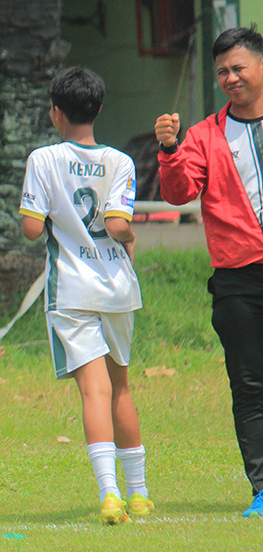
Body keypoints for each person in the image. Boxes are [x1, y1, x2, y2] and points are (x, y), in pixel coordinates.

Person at [20, 66, 150, 526]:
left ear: (56, 112)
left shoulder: (43, 159)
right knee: (121, 387)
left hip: (72, 289)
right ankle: (139, 493)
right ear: (98, 108)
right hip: (117, 286)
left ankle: (109, 494)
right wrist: (130, 236)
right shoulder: (120, 161)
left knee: (92, 391)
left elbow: (33, 229)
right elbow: (117, 226)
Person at [156, 25, 263, 518]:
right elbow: (178, 193)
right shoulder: (204, 134)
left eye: (238, 67)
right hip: (238, 279)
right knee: (249, 384)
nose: (230, 77)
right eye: (222, 71)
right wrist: (171, 150)